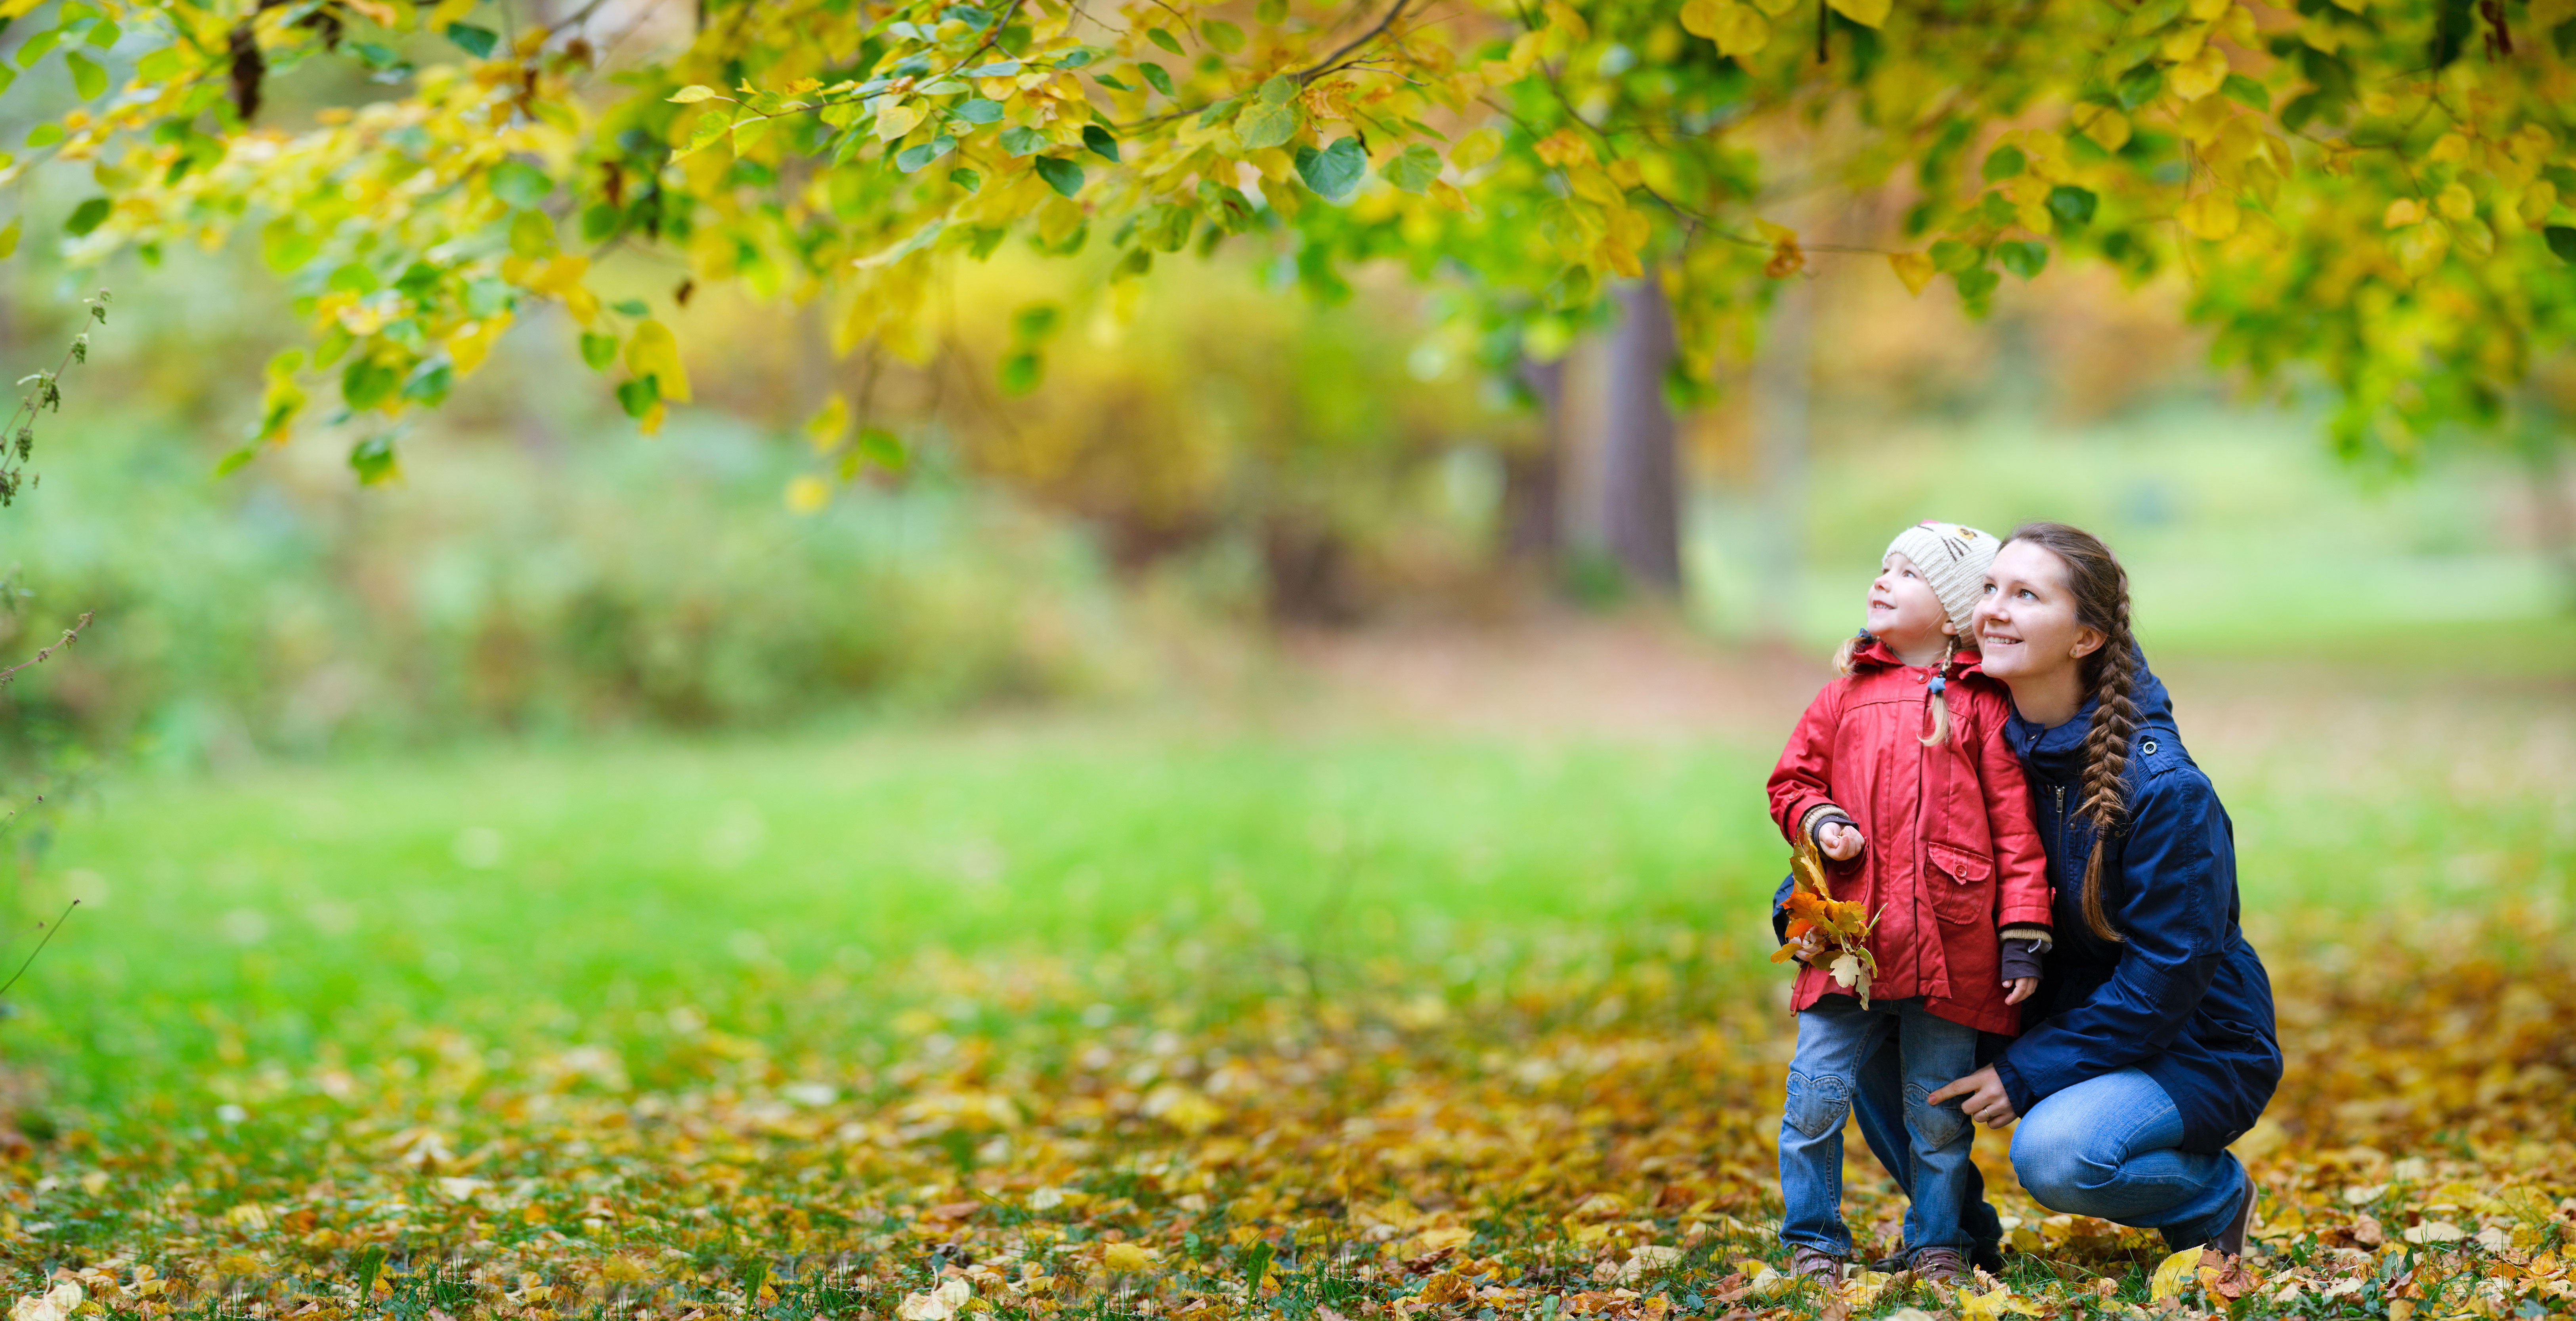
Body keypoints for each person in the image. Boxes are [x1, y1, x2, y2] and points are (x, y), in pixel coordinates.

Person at [1916, 521, 2281, 1258]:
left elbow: (2167, 978)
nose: (1995, 609)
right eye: (1990, 588)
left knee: (2056, 1154)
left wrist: (2026, 1072)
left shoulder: (2164, 789)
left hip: (2198, 1043)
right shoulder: (1980, 745)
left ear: (2085, 638)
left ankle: (2213, 1198)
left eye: (2026, 594)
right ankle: (1953, 1237)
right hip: (2074, 1019)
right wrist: (1815, 913)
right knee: (1870, 1028)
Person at [1764, 522, 2055, 1287]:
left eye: (1910, 573)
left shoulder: (1985, 706)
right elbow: (1791, 783)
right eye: (1883, 565)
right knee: (1815, 1096)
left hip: (1954, 941)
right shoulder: (1844, 695)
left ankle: (1937, 1241)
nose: (1885, 579)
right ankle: (1813, 1239)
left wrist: (2025, 928)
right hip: (1845, 935)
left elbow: (2017, 828)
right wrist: (1820, 821)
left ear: (1955, 612)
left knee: (1937, 1115)